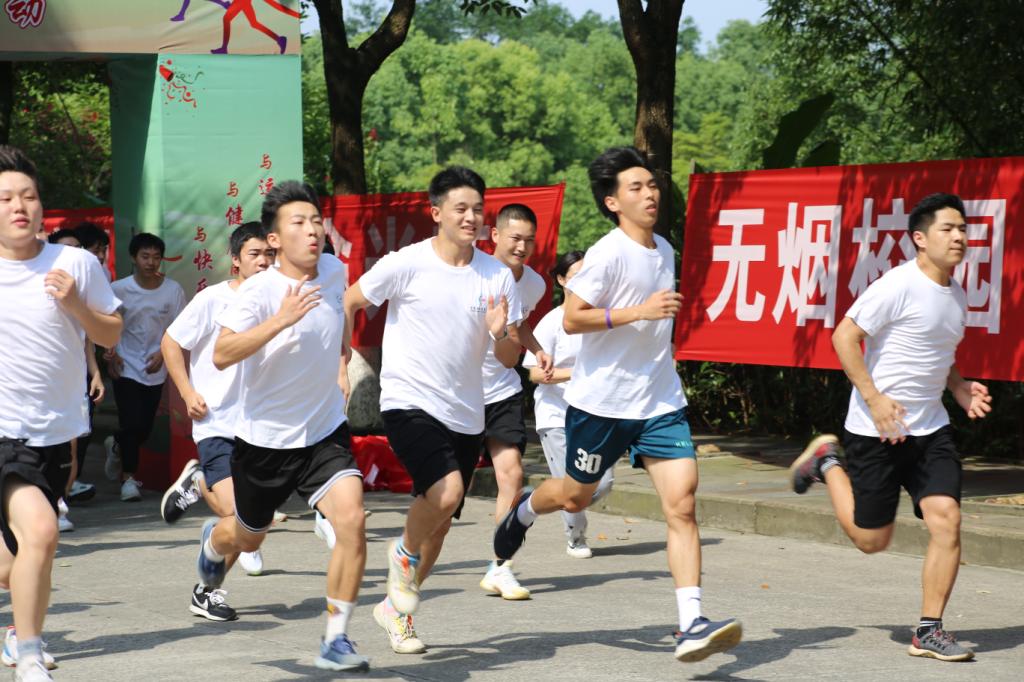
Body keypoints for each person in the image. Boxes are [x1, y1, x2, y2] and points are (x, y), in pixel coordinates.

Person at [493, 146, 742, 663]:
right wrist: (638, 312)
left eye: (651, 185)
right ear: (612, 202)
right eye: (636, 187)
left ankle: (691, 622)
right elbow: (572, 318)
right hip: (601, 403)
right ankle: (525, 510)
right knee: (575, 498)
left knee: (683, 505)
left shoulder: (664, 249)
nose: (650, 194)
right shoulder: (606, 254)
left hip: (659, 400)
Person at [789, 192, 990, 663]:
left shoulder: (956, 293)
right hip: (875, 429)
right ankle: (827, 462)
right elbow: (844, 336)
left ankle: (929, 630)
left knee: (947, 519)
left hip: (930, 429)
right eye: (947, 229)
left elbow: (939, 352)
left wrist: (959, 387)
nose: (958, 237)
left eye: (962, 229)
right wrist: (875, 399)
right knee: (871, 541)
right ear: (920, 238)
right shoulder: (897, 285)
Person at [344, 166, 528, 654]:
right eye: (460, 208)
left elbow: (510, 358)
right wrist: (340, 362)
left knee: (441, 522)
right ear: (436, 213)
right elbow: (349, 301)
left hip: (466, 410)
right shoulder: (407, 263)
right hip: (408, 400)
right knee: (446, 494)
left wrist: (499, 331)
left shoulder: (495, 275)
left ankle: (396, 611)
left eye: (477, 209)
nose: (471, 217)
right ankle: (402, 555)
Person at [200, 181, 369, 672]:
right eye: (299, 222)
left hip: (323, 431)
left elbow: (339, 316)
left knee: (352, 521)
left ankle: (335, 639)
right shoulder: (258, 291)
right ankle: (215, 541)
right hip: (265, 442)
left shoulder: (334, 270)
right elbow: (222, 352)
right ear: (274, 239)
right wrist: (280, 320)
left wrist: (342, 363)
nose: (312, 230)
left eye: (316, 221)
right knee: (248, 538)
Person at [0, 145, 122, 681]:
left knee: (22, 558)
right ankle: (30, 654)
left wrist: (75, 305)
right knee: (44, 531)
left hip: (56, 430)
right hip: (3, 431)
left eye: (27, 196)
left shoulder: (75, 265)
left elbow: (111, 333)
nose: (18, 206)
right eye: (5, 198)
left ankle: (17, 631)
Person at [158, 222, 276, 618]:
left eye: (269, 254)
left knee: (252, 526)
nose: (264, 262)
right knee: (236, 515)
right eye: (255, 254)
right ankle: (207, 592)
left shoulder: (280, 302)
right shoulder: (214, 299)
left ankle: (199, 483)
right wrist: (188, 392)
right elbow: (171, 342)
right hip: (218, 423)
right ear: (236, 260)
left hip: (262, 429)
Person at [478, 203, 552, 600]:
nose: (522, 247)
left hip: (502, 389)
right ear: (495, 236)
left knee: (512, 475)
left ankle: (500, 566)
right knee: (444, 493)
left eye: (529, 240)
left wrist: (536, 349)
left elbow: (518, 325)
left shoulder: (534, 283)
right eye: (515, 238)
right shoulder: (473, 273)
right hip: (458, 393)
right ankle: (412, 556)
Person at [522, 250, 614, 559]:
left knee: (603, 482)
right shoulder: (551, 323)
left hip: (596, 415)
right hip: (556, 415)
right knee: (569, 484)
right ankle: (576, 537)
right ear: (561, 280)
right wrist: (576, 374)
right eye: (576, 276)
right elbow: (535, 373)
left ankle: (541, 500)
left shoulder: (600, 319)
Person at [104, 233, 186, 501]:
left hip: (155, 366)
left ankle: (117, 444)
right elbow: (106, 324)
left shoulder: (172, 290)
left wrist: (163, 354)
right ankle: (129, 480)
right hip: (125, 364)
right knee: (131, 422)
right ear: (134, 258)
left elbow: (179, 328)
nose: (151, 262)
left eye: (156, 257)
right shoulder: (118, 289)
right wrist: (111, 353)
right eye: (145, 256)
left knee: (144, 428)